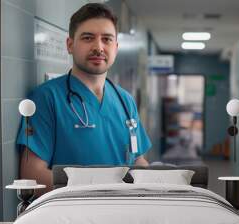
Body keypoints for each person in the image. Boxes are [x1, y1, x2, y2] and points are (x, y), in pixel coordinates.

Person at [16, 3, 152, 197]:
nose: (98, 47)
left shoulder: (125, 100)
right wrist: (102, 191)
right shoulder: (47, 98)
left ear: (116, 47)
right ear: (70, 45)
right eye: (88, 38)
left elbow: (138, 161)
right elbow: (33, 176)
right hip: (72, 217)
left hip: (125, 212)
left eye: (107, 39)